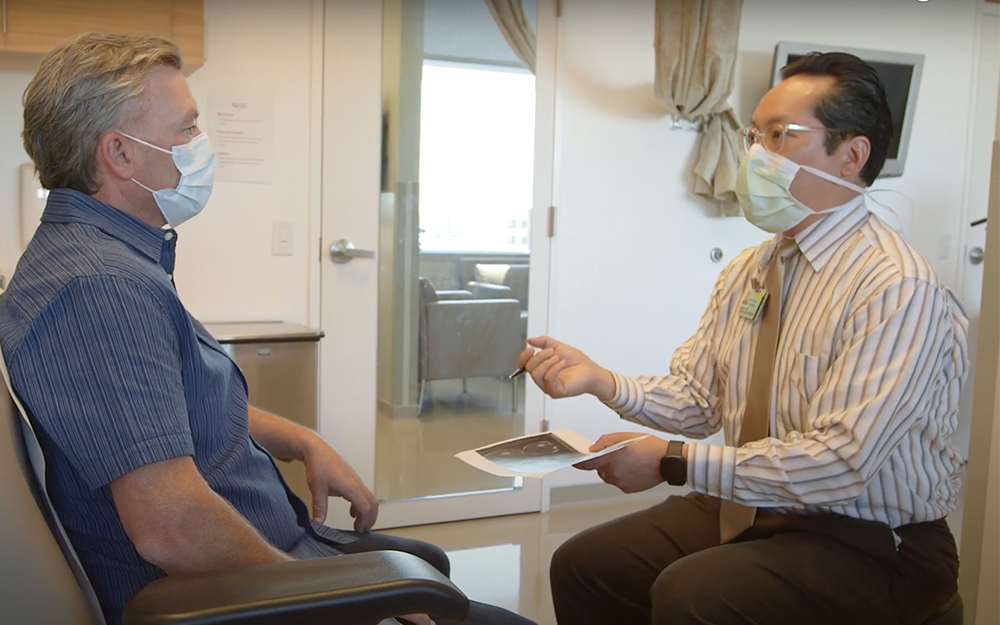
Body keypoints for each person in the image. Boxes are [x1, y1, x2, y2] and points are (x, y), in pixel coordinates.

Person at [0, 32, 534, 625]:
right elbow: (173, 530)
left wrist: (303, 440)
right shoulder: (99, 288)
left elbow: (168, 407)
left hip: (261, 556)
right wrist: (339, 599)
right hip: (228, 598)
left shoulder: (107, 260)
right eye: (187, 128)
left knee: (425, 562)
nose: (200, 145)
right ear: (120, 154)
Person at [518, 52, 967, 625]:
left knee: (695, 596)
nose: (754, 155)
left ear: (852, 155)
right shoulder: (753, 268)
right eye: (754, 135)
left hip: (871, 539)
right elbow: (700, 400)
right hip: (756, 506)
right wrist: (601, 381)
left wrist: (672, 462)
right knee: (585, 563)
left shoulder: (896, 287)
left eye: (779, 135)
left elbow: (842, 462)